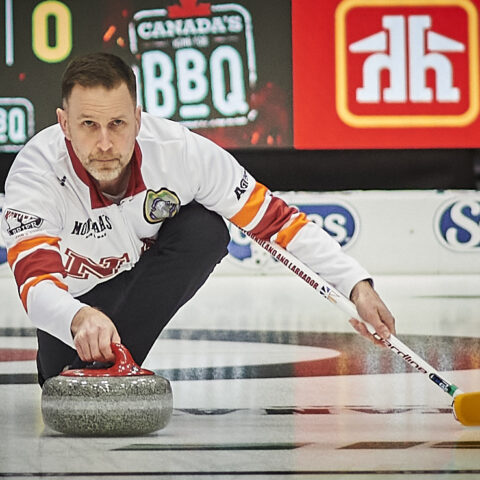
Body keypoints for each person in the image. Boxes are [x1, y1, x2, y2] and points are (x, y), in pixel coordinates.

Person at [1, 53, 395, 386]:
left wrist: (356, 286)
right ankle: (90, 360)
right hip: (76, 301)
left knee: (205, 229)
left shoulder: (182, 153)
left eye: (117, 124)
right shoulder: (35, 173)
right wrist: (77, 316)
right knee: (55, 379)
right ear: (64, 124)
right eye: (88, 125)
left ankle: (113, 368)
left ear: (138, 119)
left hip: (139, 278)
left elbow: (276, 222)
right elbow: (36, 286)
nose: (104, 143)